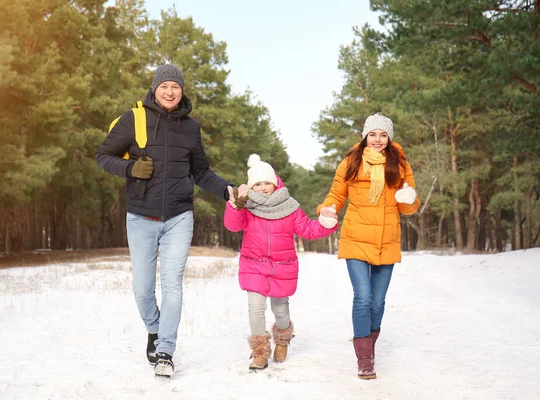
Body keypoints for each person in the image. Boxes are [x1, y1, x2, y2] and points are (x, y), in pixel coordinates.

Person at [95, 64, 233, 378]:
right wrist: (130, 170)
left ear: (181, 91)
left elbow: (201, 172)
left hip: (178, 216)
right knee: (142, 289)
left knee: (172, 285)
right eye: (164, 86)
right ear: (155, 90)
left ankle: (166, 350)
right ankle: (154, 330)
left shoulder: (191, 127)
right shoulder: (134, 119)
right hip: (140, 216)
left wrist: (228, 190)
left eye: (175, 86)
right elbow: (103, 156)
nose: (170, 92)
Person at [317, 113, 420, 380]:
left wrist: (408, 199)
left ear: (389, 137)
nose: (377, 139)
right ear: (365, 136)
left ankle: (369, 346)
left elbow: (408, 206)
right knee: (362, 298)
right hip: (356, 237)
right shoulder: (351, 162)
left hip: (386, 239)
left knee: (378, 301)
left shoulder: (399, 165)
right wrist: (327, 210)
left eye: (383, 134)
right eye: (373, 134)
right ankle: (364, 359)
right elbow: (337, 194)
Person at [224, 154, 339, 370]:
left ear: (275, 183)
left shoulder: (290, 206)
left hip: (282, 265)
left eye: (267, 182)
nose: (263, 187)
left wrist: (326, 223)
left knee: (280, 309)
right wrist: (234, 206)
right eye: (258, 184)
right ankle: (259, 351)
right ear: (252, 186)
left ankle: (283, 339)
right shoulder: (246, 205)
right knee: (255, 308)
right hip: (254, 265)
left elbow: (308, 229)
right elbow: (233, 226)